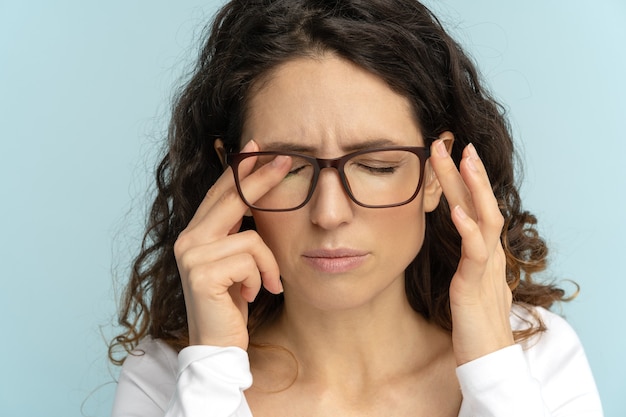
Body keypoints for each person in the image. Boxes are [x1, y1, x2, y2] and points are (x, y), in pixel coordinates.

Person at [109, 0, 603, 415]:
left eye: (379, 166)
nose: (329, 214)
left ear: (437, 174)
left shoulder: (535, 357)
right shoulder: (166, 380)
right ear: (229, 176)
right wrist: (210, 373)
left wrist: (493, 372)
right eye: (288, 167)